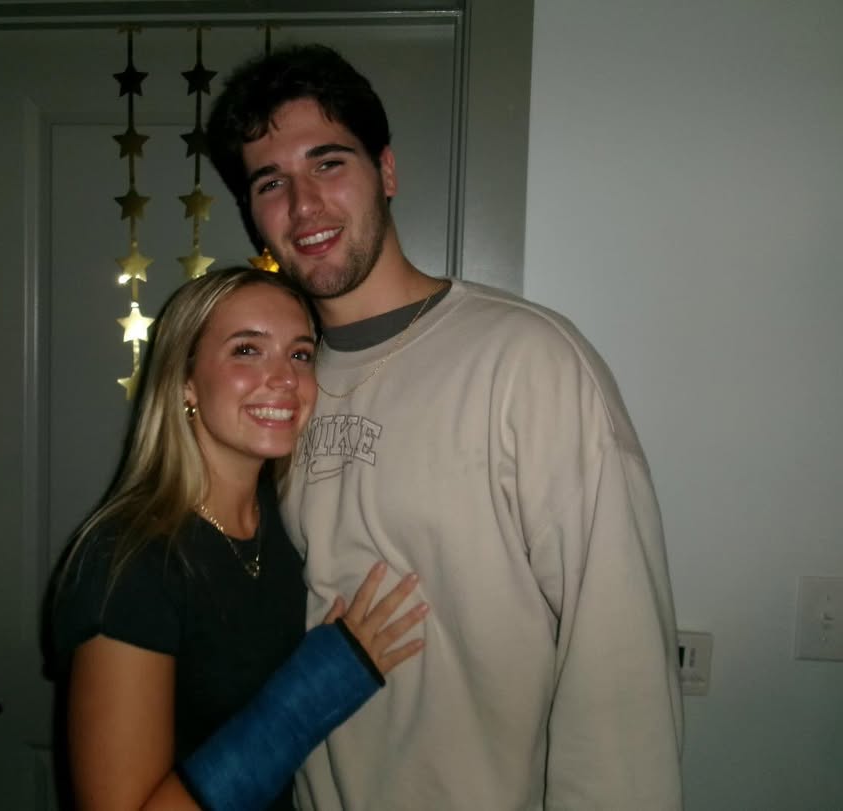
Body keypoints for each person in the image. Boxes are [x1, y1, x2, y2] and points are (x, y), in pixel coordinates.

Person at [206, 45, 684, 810]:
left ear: (386, 172)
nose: (303, 205)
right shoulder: (280, 394)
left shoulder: (525, 361)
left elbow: (619, 660)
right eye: (271, 182)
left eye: (329, 163)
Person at [51, 266, 427, 811]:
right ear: (186, 380)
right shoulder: (127, 560)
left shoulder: (289, 522)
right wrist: (317, 690)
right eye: (247, 350)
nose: (285, 378)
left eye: (300, 354)